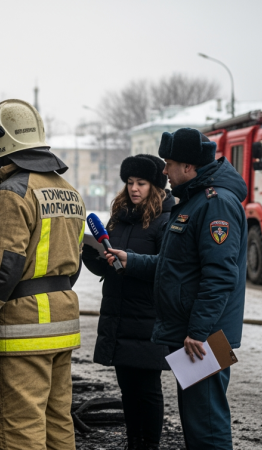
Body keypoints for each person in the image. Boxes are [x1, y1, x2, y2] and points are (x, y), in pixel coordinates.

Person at [0, 99, 85, 450]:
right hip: (62, 325)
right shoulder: (69, 192)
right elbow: (73, 261)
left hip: (24, 332)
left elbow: (0, 274)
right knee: (57, 421)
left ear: (1, 142)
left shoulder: (11, 194)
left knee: (18, 426)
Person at [105, 128, 246, 450]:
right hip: (195, 332)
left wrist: (198, 332)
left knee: (206, 426)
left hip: (206, 337)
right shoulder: (194, 201)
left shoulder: (215, 204)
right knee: (197, 422)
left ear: (188, 166)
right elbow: (177, 265)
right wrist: (131, 260)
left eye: (168, 164)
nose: (165, 171)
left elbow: (220, 275)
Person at [82, 154, 174, 450]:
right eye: (130, 182)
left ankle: (149, 444)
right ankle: (133, 442)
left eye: (141, 183)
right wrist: (92, 256)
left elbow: (168, 268)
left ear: (155, 186)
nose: (134, 188)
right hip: (118, 313)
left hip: (148, 315)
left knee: (148, 389)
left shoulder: (166, 219)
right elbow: (109, 265)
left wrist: (130, 260)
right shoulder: (119, 216)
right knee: (127, 388)